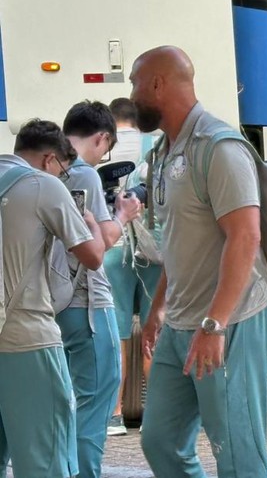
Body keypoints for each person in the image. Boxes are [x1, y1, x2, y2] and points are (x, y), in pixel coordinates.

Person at [132, 46, 267, 478]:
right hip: (180, 322)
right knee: (160, 441)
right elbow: (178, 240)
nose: (131, 95)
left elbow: (245, 236)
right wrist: (159, 307)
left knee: (237, 454)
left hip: (230, 322)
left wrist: (215, 324)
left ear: (157, 84)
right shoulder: (164, 151)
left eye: (135, 83)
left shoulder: (219, 146)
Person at [0, 120, 107, 478]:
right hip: (27, 338)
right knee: (45, 458)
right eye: (63, 170)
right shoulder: (43, 185)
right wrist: (93, 224)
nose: (63, 177)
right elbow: (93, 256)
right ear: (49, 159)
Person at [60, 101, 144, 478]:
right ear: (101, 138)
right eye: (106, 148)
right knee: (97, 395)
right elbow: (100, 243)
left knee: (64, 400)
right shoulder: (85, 175)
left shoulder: (44, 172)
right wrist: (122, 214)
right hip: (88, 302)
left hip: (51, 302)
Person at [103, 97, 163, 436]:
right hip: (153, 250)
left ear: (111, 122)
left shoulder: (105, 147)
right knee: (155, 329)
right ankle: (156, 412)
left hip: (114, 249)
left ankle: (114, 415)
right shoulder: (155, 146)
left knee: (118, 332)